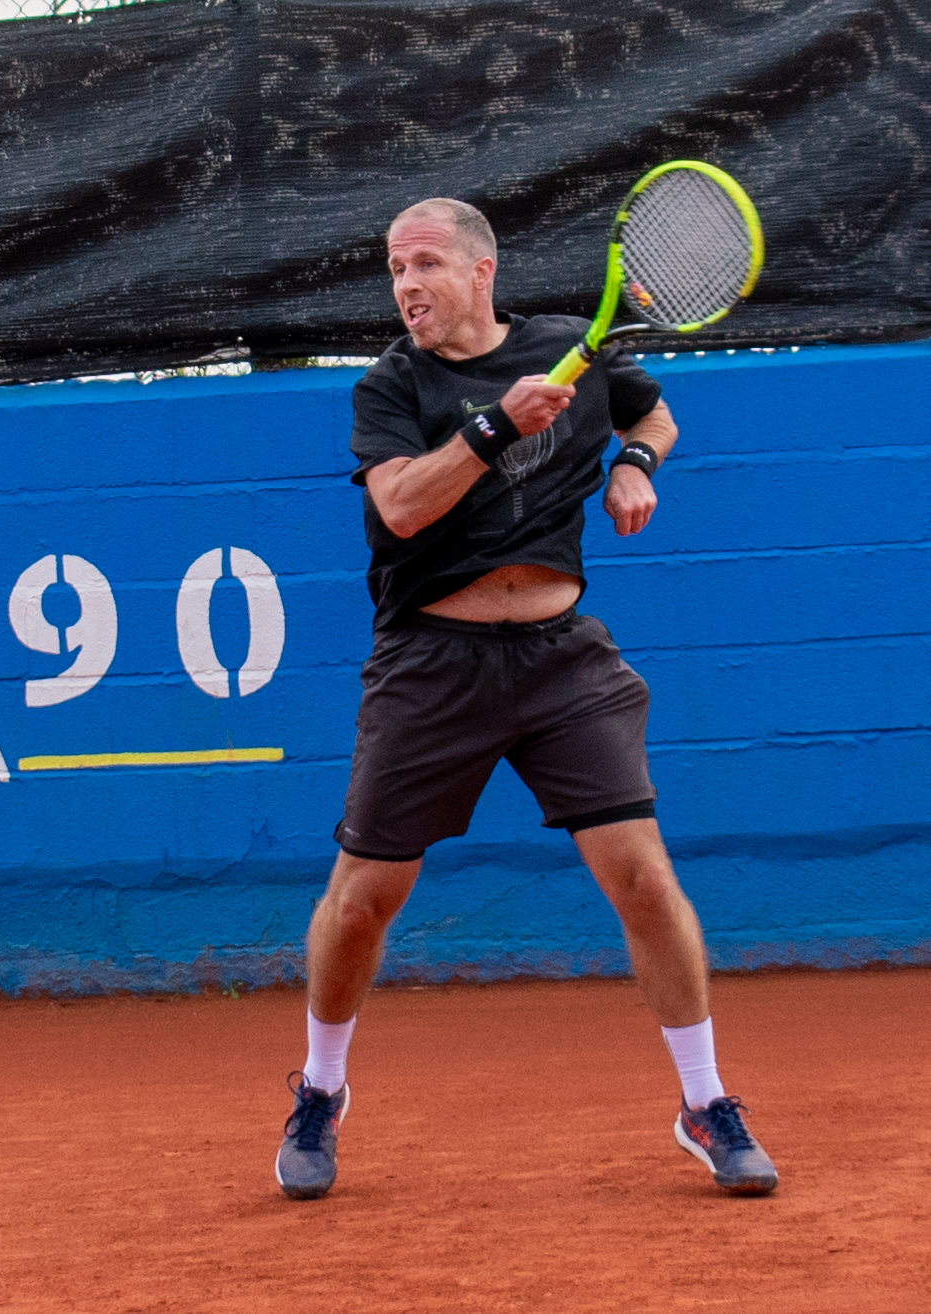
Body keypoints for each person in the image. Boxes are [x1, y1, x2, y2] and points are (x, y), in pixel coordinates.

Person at [274, 197, 777, 1201]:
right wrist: (498, 424)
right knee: (364, 900)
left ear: (480, 272)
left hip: (561, 660)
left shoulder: (567, 348)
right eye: (394, 269)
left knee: (642, 878)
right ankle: (320, 1092)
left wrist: (632, 467)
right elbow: (400, 506)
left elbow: (653, 414)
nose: (406, 285)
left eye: (424, 264)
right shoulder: (392, 383)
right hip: (431, 662)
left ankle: (704, 1102)